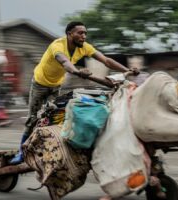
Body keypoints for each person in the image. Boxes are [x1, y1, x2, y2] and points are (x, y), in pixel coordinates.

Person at [10, 21, 139, 164]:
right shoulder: (57, 46)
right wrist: (77, 72)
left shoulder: (84, 47)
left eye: (85, 33)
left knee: (55, 116)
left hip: (56, 86)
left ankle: (49, 147)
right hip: (39, 84)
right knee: (32, 119)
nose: (83, 36)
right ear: (69, 34)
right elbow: (65, 62)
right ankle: (22, 153)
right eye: (80, 33)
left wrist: (127, 70)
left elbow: (106, 60)